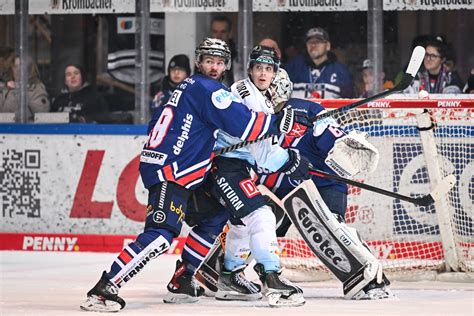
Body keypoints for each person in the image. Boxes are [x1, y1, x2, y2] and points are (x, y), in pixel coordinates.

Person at [80, 38, 310, 312]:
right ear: (199, 61)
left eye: (219, 62)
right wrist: (279, 122)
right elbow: (244, 125)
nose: (214, 67)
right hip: (172, 172)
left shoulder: (186, 86)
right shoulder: (209, 89)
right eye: (209, 61)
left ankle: (184, 279)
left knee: (216, 215)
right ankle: (105, 288)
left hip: (185, 172)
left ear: (226, 65)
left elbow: (157, 122)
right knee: (161, 235)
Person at [285, 27, 353, 99]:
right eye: (310, 42)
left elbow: (348, 102)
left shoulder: (340, 71)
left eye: (318, 41)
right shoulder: (294, 67)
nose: (313, 45)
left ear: (328, 46)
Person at [0, 56, 50, 122]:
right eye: (15, 66)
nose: (18, 69)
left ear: (29, 68)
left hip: (25, 130)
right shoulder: (5, 87)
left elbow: (42, 113)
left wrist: (21, 88)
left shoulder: (35, 87)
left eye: (22, 66)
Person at [210, 15, 240, 86]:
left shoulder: (238, 55)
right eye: (215, 31)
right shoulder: (203, 55)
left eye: (223, 32)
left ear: (230, 33)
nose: (218, 36)